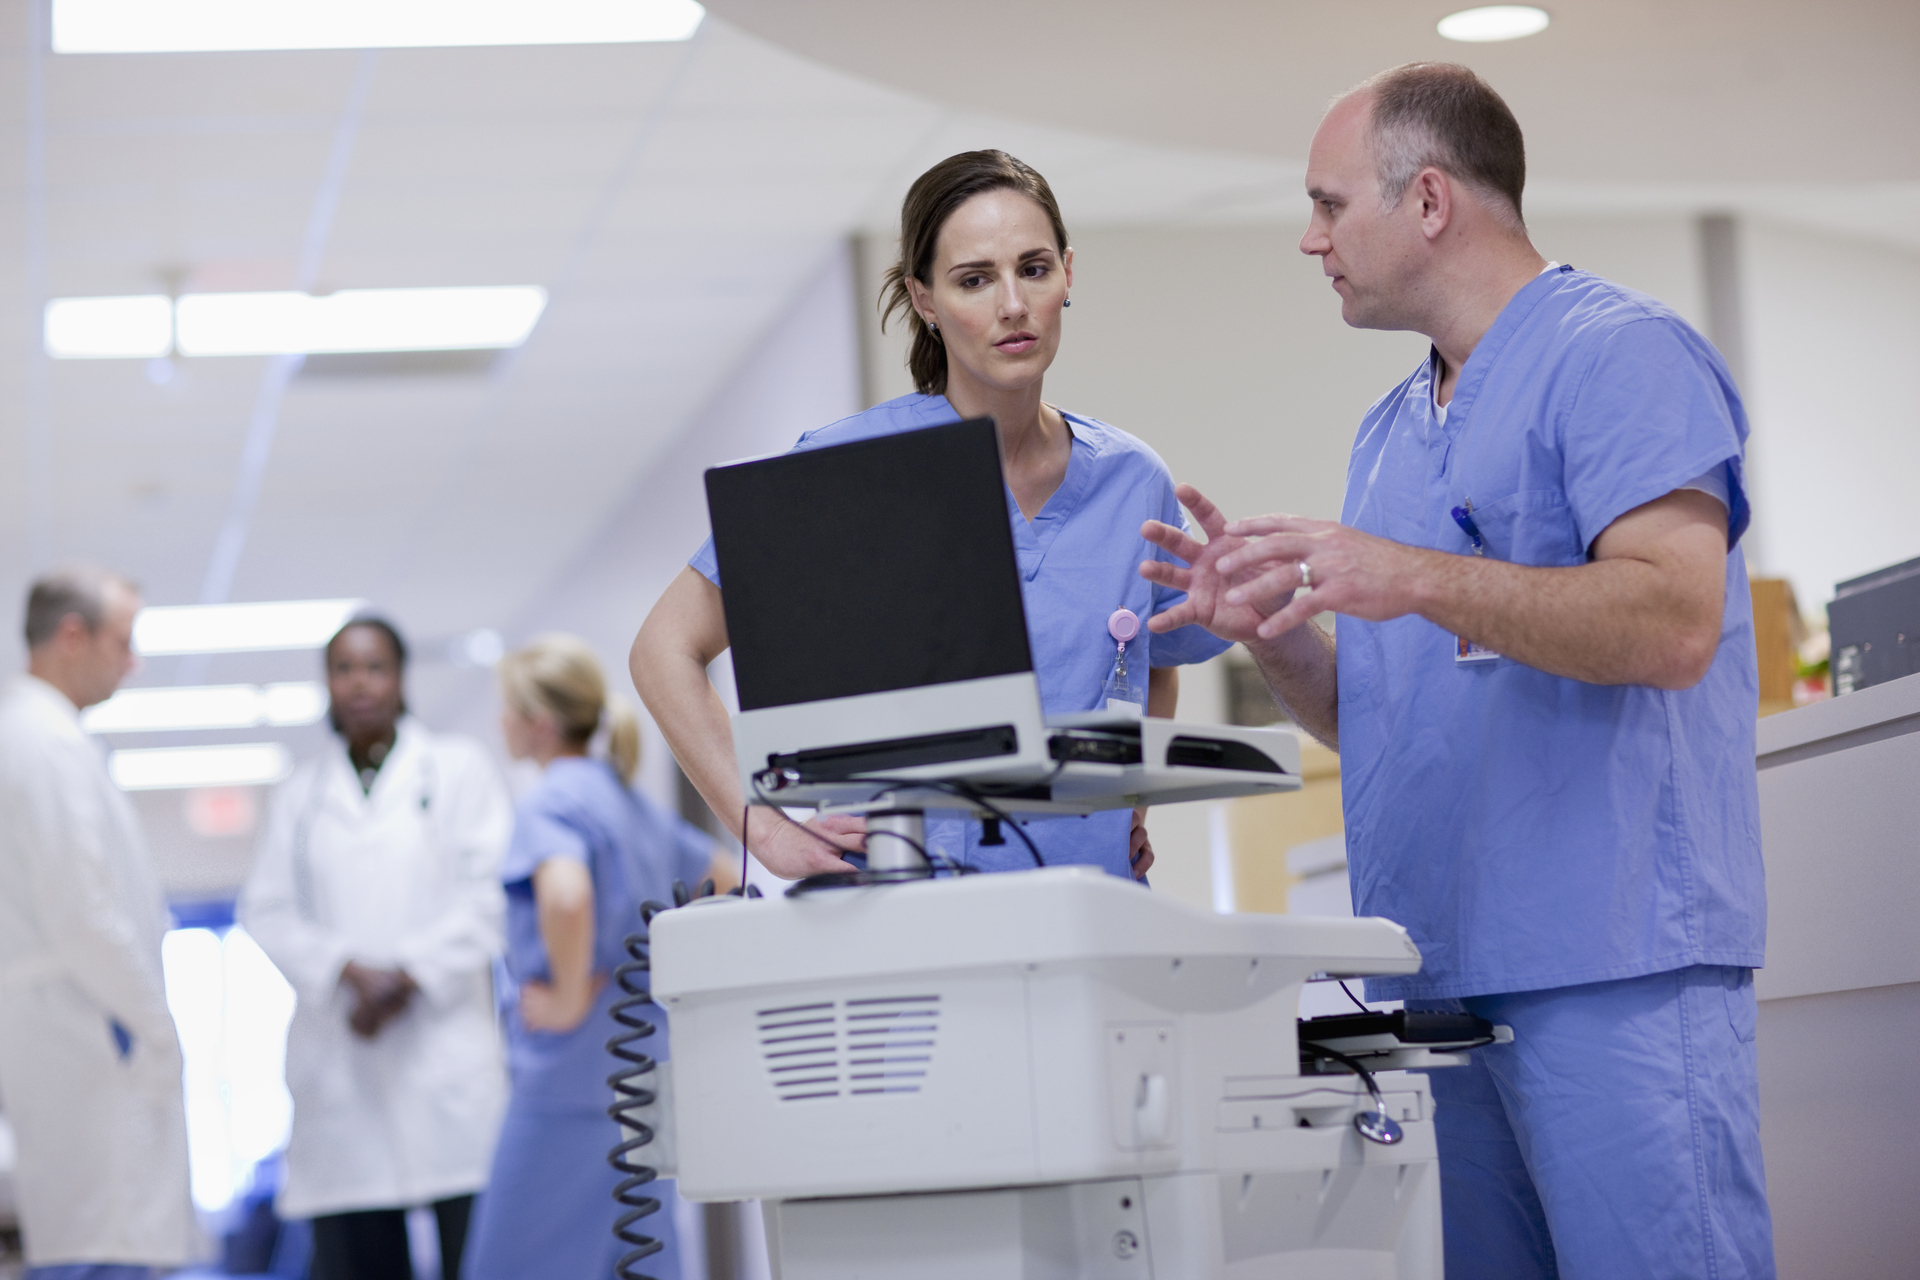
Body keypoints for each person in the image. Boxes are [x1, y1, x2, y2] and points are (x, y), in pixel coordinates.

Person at [1142, 63, 1772, 1278]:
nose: (1309, 239)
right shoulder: (1388, 434)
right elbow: (1370, 716)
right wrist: (1269, 629)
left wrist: (1417, 574)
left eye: (1330, 205)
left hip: (1613, 968)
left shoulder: (1622, 358)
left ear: (1428, 199)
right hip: (1438, 985)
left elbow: (1675, 621)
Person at [633, 149, 1230, 881]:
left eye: (1034, 269)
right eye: (974, 280)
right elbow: (663, 649)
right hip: (905, 907)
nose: (1012, 304)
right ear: (924, 300)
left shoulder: (1131, 479)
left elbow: (1151, 658)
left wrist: (1133, 800)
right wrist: (763, 827)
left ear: (1068, 274)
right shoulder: (843, 473)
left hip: (1093, 902)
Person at [239, 616, 513, 1280]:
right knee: (356, 1254)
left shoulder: (458, 769)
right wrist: (345, 971)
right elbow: (265, 908)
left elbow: (493, 893)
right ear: (327, 684)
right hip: (344, 1057)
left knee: (473, 1255)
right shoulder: (299, 796)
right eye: (344, 669)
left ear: (400, 679)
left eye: (375, 667)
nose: (359, 683)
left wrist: (409, 975)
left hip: (442, 1052)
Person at [467, 634, 727, 1280]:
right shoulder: (629, 803)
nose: (499, 722)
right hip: (643, 1082)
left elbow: (567, 895)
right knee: (638, 1262)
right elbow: (725, 876)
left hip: (566, 1087)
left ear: (539, 724)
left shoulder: (552, 801)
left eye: (507, 708)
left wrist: (566, 992)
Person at [0, 567, 197, 1280]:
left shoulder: (43, 740)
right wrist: (155, 1025)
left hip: (74, 1030)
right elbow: (83, 914)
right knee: (100, 1247)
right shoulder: (44, 745)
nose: (133, 661)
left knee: (97, 1240)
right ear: (73, 636)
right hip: (87, 1031)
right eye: (124, 640)